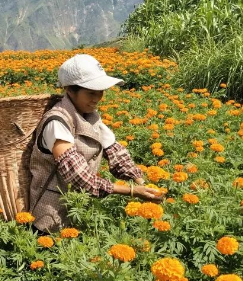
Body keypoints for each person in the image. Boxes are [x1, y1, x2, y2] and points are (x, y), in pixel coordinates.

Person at [28, 54, 162, 232]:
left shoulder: (91, 118)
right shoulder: (57, 122)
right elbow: (78, 176)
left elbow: (116, 152)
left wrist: (141, 181)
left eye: (101, 91)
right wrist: (131, 191)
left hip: (78, 210)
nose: (97, 98)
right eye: (91, 92)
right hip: (48, 218)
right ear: (70, 90)